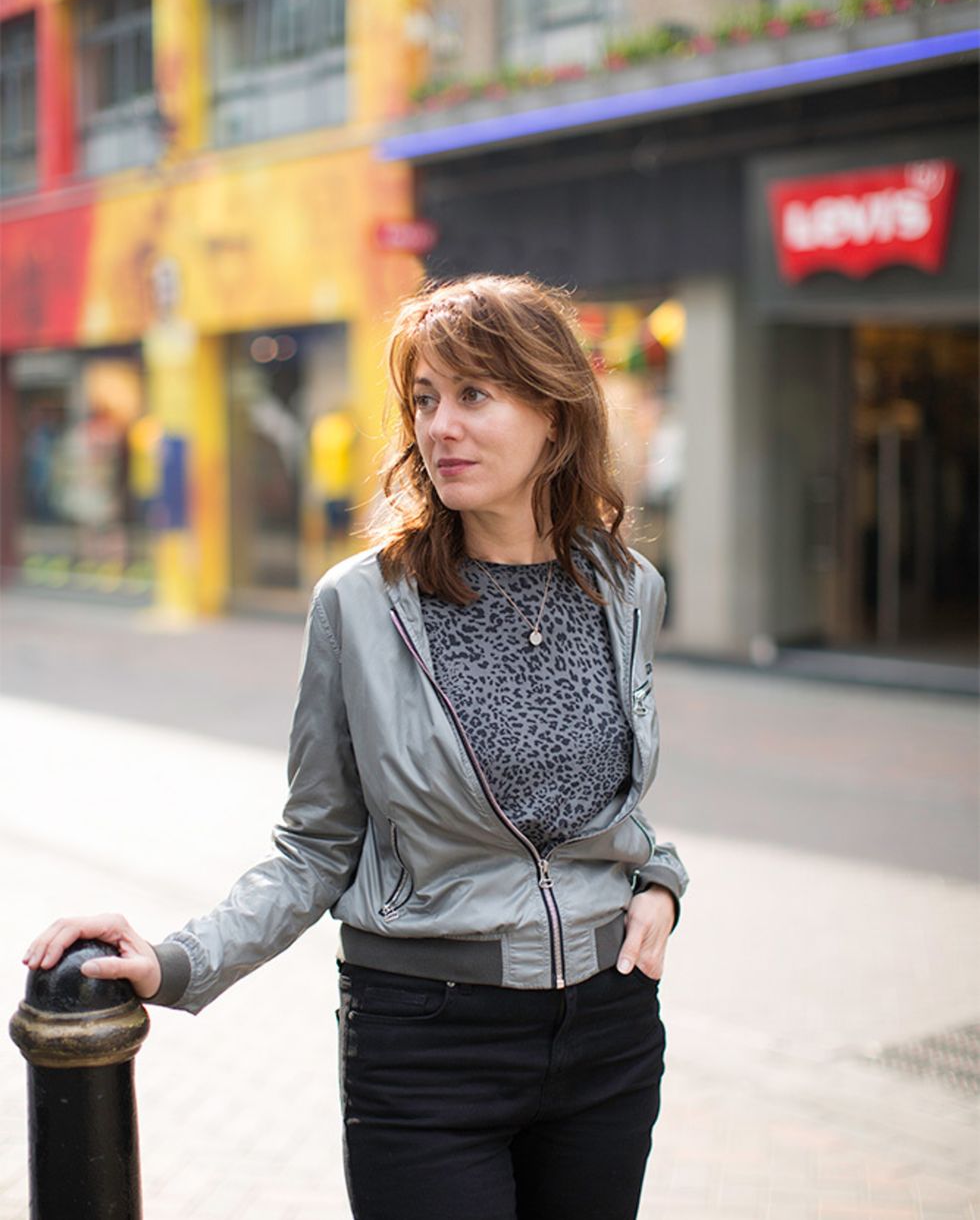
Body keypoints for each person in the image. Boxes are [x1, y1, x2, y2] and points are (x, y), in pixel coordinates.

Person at [25, 273, 689, 1220]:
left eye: (473, 395)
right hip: (427, 1044)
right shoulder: (364, 604)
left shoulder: (626, 588)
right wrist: (176, 960)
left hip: (610, 1034)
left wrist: (660, 879)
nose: (439, 426)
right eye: (423, 400)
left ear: (553, 414)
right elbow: (315, 844)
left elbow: (607, 805)